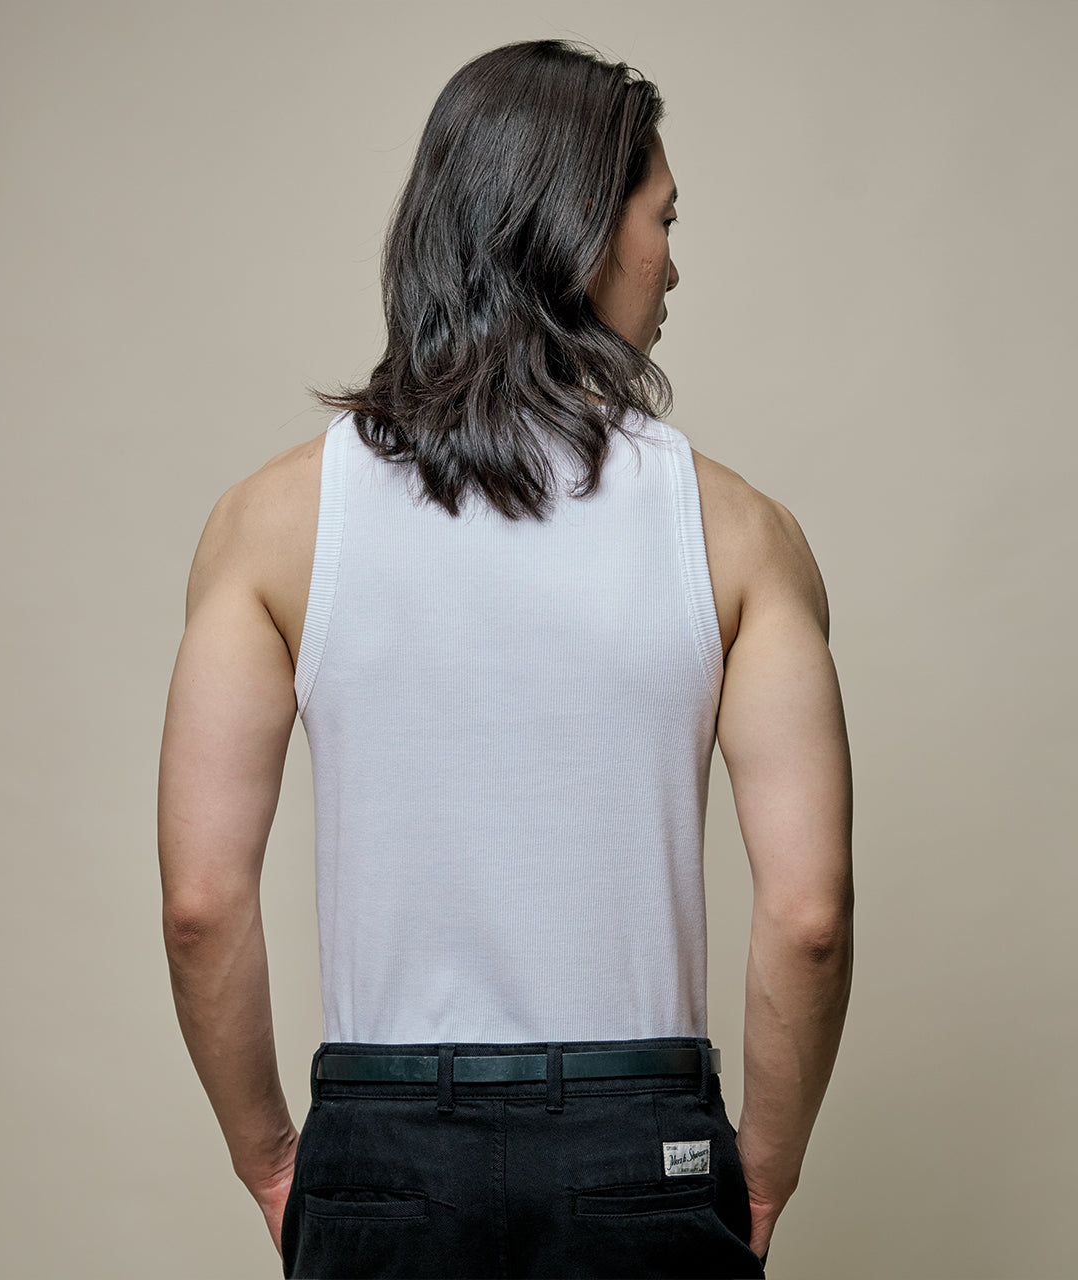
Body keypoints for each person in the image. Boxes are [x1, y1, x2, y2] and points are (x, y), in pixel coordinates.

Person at [158, 38, 853, 1280]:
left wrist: (278, 1161)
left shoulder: (268, 525)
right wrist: (764, 1174)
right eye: (662, 217)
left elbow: (202, 905)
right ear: (584, 227)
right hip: (645, 1149)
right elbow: (806, 917)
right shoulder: (743, 532)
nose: (673, 260)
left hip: (379, 1147)